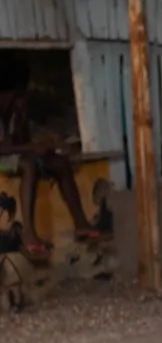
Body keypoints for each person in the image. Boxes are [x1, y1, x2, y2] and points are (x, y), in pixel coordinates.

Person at [0, 77, 100, 259]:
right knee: (28, 166)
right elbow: (3, 149)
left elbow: (19, 143)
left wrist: (41, 144)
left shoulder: (13, 114)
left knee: (60, 162)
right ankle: (29, 234)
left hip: (12, 155)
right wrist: (31, 148)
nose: (21, 102)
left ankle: (81, 223)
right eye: (17, 97)